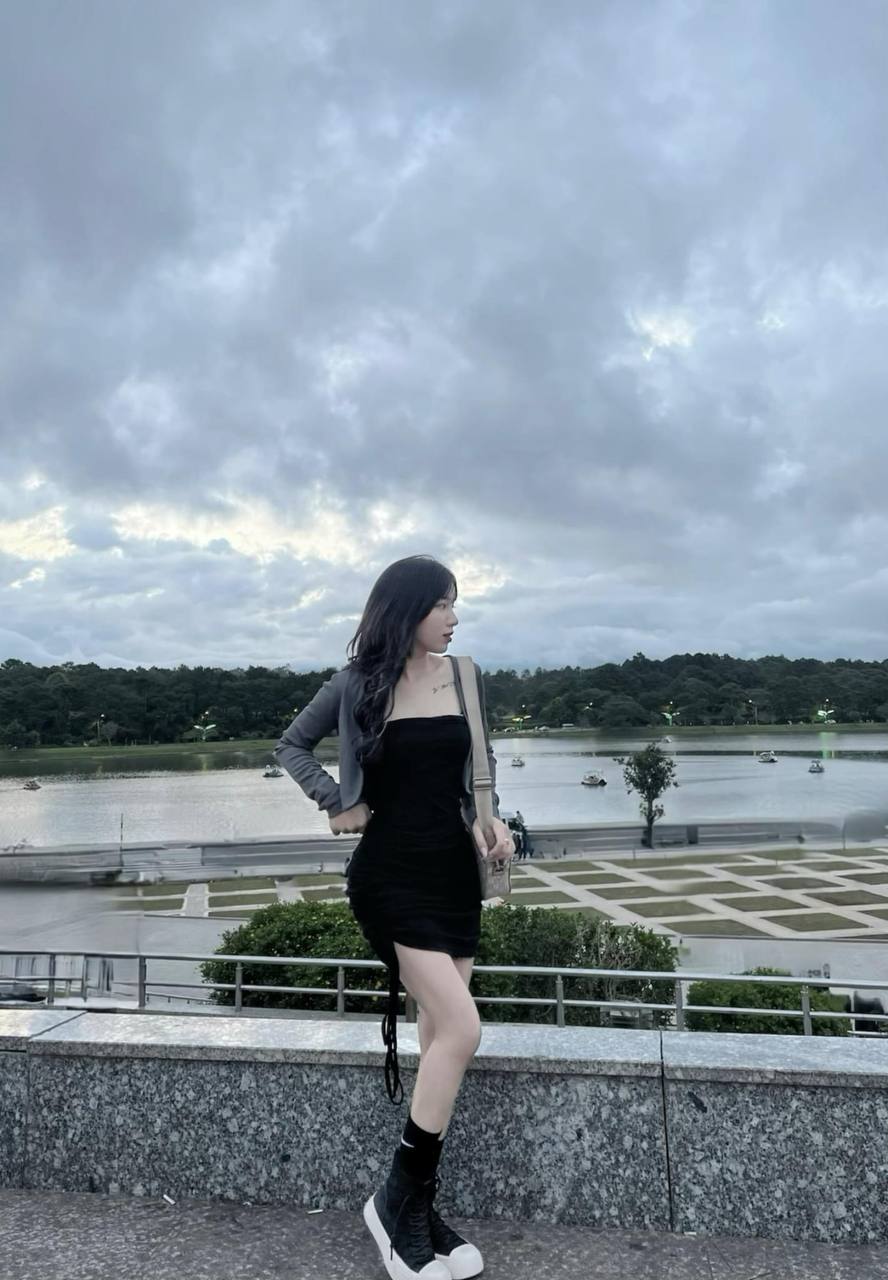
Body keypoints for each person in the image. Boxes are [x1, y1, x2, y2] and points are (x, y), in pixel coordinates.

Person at [275, 554, 514, 1280]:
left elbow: (478, 773)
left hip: (453, 874)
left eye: (455, 604)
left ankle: (417, 1209)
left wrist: (493, 820)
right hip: (390, 876)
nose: (454, 617)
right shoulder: (355, 684)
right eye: (442, 604)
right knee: (464, 1028)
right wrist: (335, 800)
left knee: (439, 1033)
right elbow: (290, 744)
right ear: (405, 610)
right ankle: (393, 1201)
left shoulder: (464, 676)